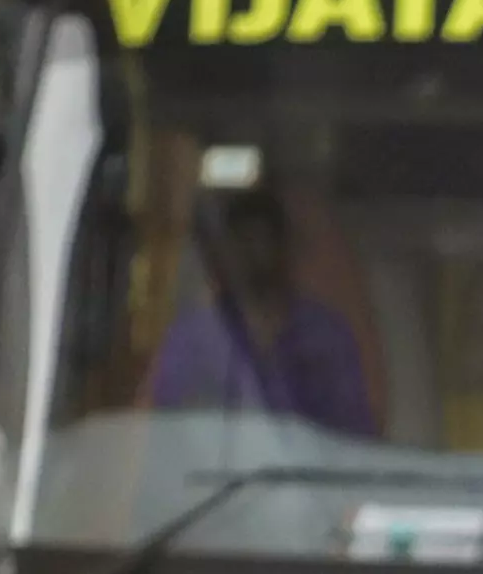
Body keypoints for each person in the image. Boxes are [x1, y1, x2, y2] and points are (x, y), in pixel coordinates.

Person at [143, 186, 376, 440]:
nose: (253, 253)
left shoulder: (324, 334)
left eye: (262, 238)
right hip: (213, 478)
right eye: (242, 241)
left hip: (307, 476)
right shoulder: (192, 339)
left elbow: (354, 434)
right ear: (221, 255)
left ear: (284, 248)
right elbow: (168, 431)